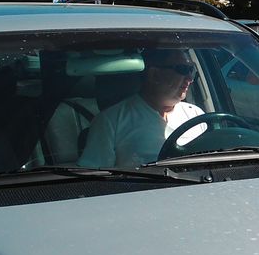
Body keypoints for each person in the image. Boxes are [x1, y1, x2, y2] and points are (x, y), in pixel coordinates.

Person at [78, 48, 206, 168]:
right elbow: (96, 175)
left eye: (191, 70)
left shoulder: (196, 114)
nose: (190, 78)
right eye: (183, 69)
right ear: (154, 74)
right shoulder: (111, 121)